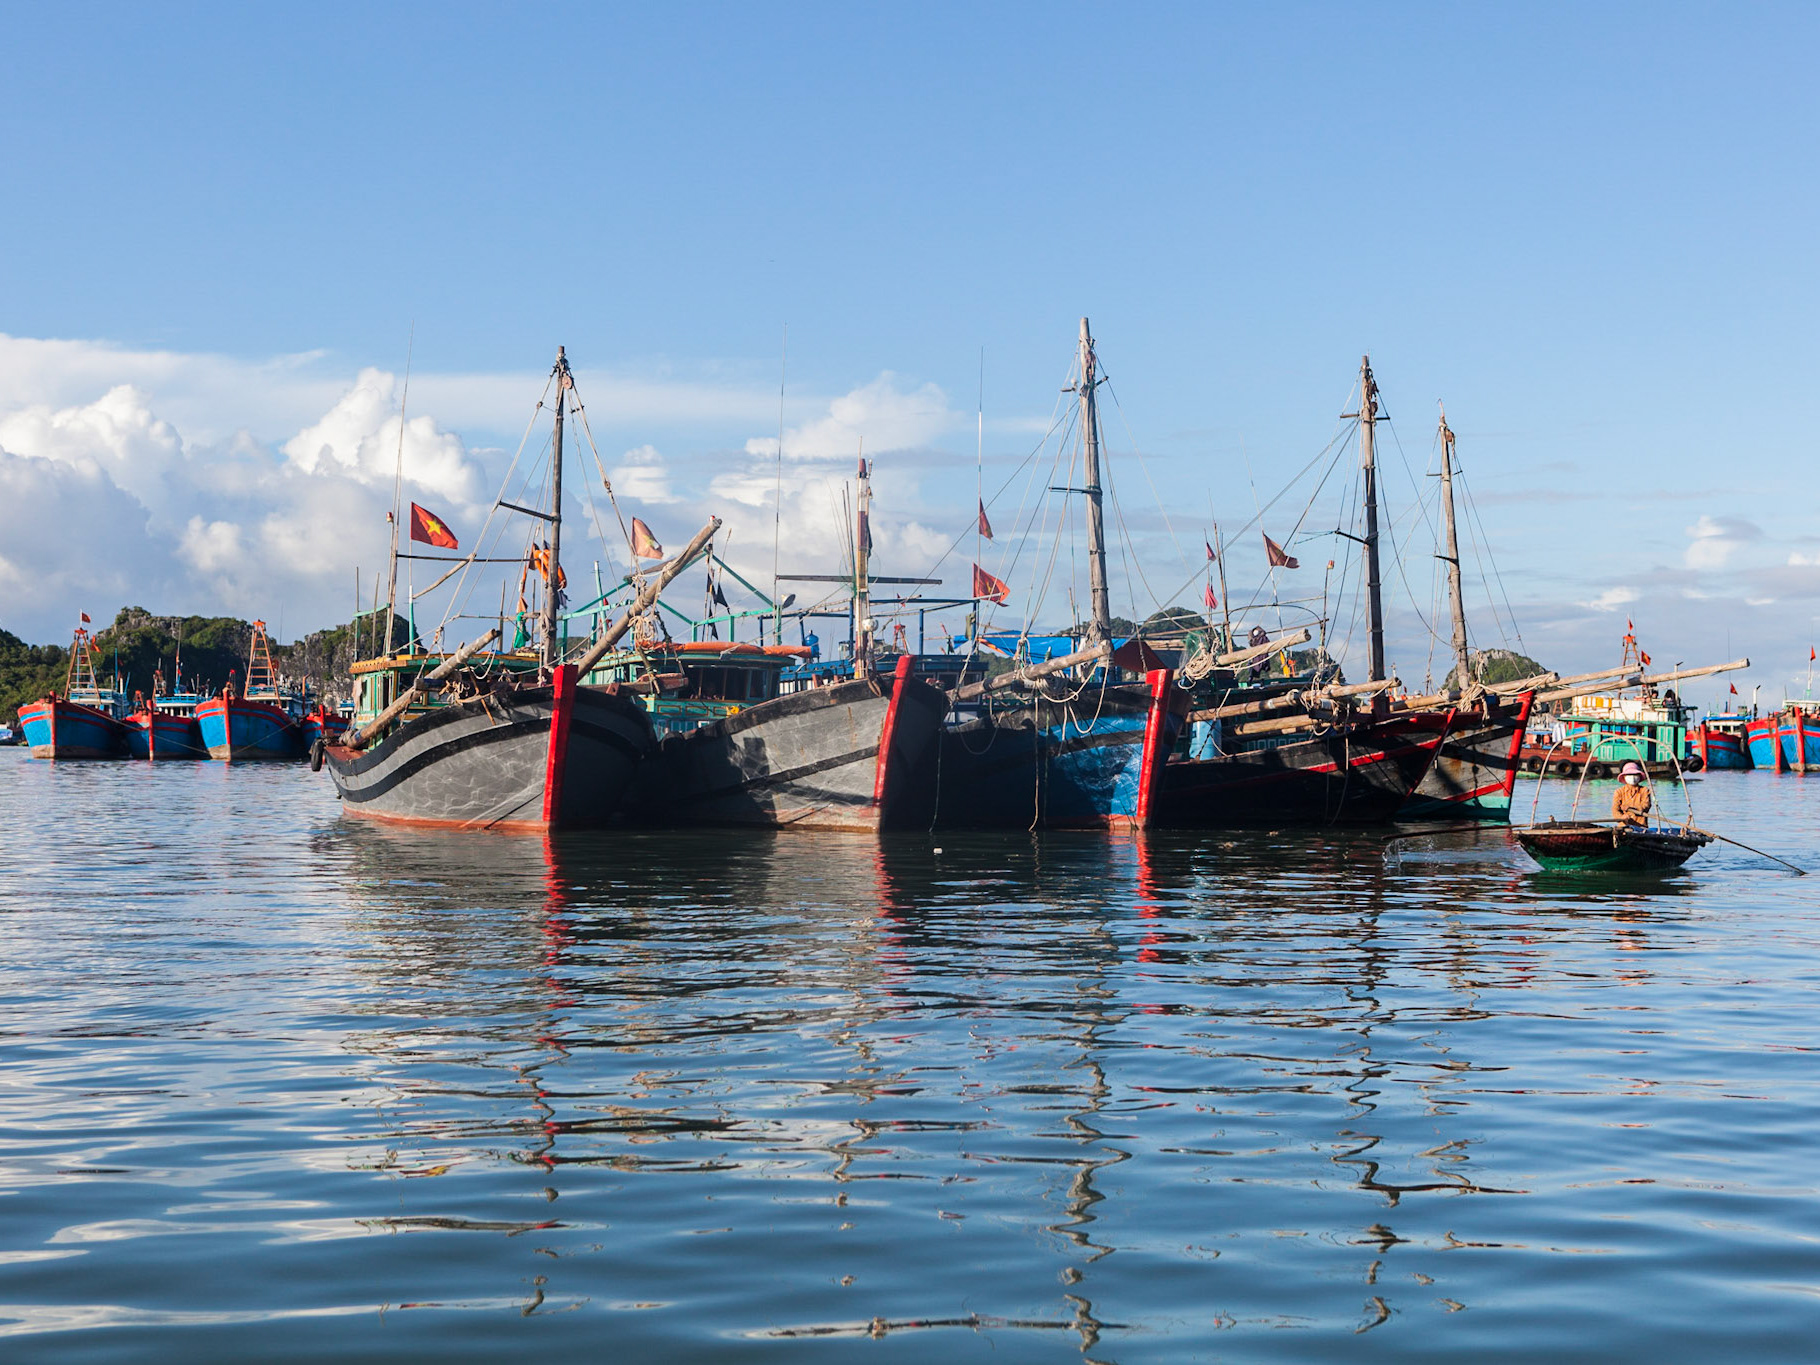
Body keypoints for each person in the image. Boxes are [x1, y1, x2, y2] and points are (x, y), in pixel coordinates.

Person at [1612, 761, 1651, 826]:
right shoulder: (1619, 792)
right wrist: (1621, 817)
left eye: (1635, 775)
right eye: (1629, 775)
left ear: (1639, 776)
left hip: (1641, 826)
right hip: (1624, 826)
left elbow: (1646, 806)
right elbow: (1615, 809)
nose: (1632, 777)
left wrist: (1631, 808)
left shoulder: (1644, 790)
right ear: (1624, 776)